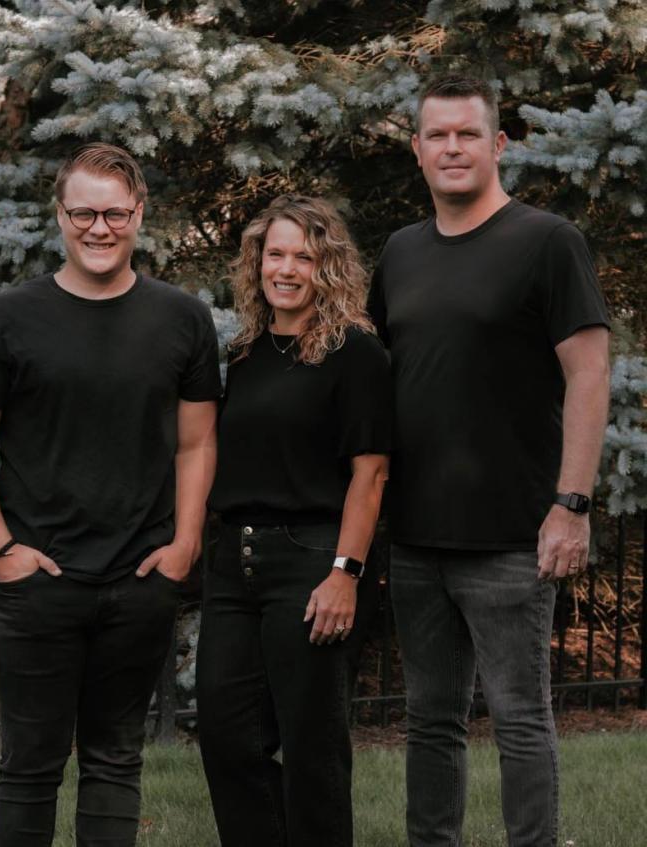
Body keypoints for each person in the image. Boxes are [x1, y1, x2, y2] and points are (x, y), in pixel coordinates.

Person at [0, 141, 221, 847]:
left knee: (114, 762)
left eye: (114, 213)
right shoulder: (4, 320)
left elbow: (196, 444)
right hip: (37, 582)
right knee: (30, 768)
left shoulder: (181, 320)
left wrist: (185, 544)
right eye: (83, 213)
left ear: (138, 214)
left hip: (139, 582)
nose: (99, 228)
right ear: (59, 216)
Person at [368, 75, 611, 847]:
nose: (451, 147)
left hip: (512, 533)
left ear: (497, 144)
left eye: (467, 134)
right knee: (430, 720)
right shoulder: (402, 251)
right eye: (436, 134)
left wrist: (570, 505)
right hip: (415, 535)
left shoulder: (547, 242)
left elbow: (589, 373)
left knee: (519, 716)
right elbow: (376, 370)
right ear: (416, 148)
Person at [197, 195, 392, 847]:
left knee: (311, 747)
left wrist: (345, 572)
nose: (285, 268)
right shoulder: (246, 355)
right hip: (234, 567)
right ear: (257, 262)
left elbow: (372, 473)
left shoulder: (354, 353)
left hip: (311, 562)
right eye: (274, 253)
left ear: (326, 267)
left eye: (302, 256)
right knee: (227, 735)